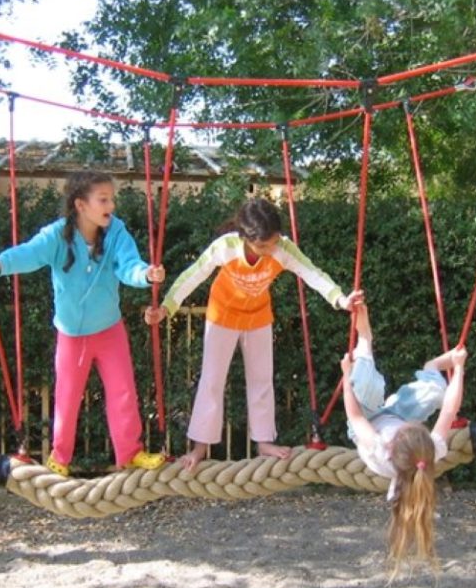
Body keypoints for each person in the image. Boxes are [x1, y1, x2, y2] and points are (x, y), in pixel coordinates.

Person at [0, 170, 166, 476]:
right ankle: (60, 458)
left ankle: (130, 453)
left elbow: (128, 265)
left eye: (111, 199)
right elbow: (29, 253)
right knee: (67, 397)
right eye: (103, 200)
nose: (111, 206)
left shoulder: (116, 232)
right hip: (72, 334)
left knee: (123, 392)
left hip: (109, 329)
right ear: (81, 205)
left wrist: (145, 275)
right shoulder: (57, 235)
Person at [145, 197, 362, 472]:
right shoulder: (226, 247)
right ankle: (199, 447)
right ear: (246, 238)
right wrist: (167, 307)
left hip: (258, 317)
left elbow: (312, 273)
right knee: (212, 380)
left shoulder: (282, 249)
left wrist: (341, 300)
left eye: (274, 242)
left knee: (261, 380)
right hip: (222, 316)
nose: (270, 250)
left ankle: (263, 442)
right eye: (263, 246)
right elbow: (193, 275)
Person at [339, 300, 467, 577]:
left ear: (393, 443)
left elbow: (356, 416)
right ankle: (433, 366)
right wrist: (458, 368)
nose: (413, 424)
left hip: (367, 418)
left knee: (364, 383)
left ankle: (365, 339)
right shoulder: (428, 450)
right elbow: (449, 409)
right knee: (437, 393)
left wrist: (346, 376)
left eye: (407, 428)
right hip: (394, 412)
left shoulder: (380, 449)